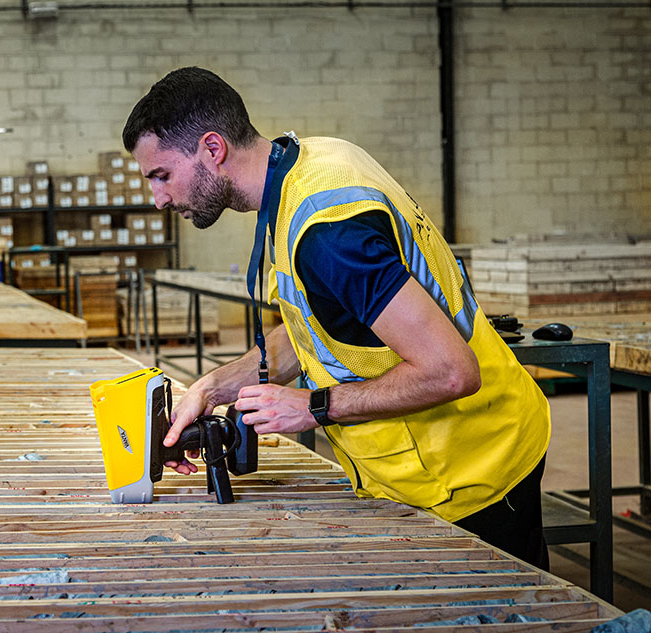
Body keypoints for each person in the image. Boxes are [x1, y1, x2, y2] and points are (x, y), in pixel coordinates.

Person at [122, 67, 551, 569]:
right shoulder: (310, 166)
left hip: (473, 470)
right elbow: (314, 327)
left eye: (162, 175)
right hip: (436, 467)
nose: (159, 199)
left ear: (213, 148)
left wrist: (313, 408)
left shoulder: (327, 233)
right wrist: (213, 388)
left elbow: (451, 371)